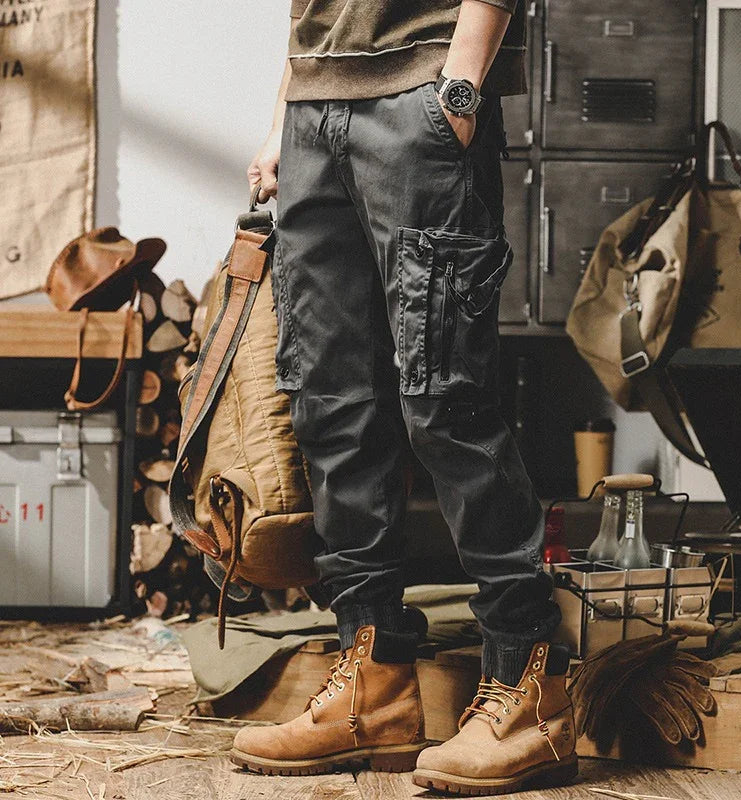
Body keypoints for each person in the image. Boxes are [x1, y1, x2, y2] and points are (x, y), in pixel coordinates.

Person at [231, 1, 577, 793]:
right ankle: (373, 681)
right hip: (314, 112)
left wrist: (460, 84)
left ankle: (528, 688)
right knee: (332, 403)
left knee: (443, 399)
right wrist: (285, 110)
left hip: (419, 94)